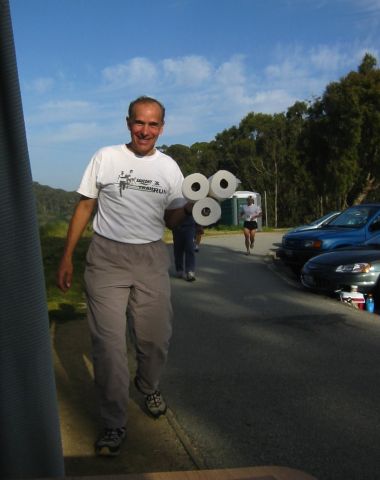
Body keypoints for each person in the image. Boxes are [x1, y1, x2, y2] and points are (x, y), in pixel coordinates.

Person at [57, 96, 193, 457]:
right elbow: (86, 204)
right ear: (128, 122)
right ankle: (114, 423)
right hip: (107, 258)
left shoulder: (170, 168)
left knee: (155, 338)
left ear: (162, 128)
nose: (145, 130)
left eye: (153, 124)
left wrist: (191, 206)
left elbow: (172, 220)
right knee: (109, 347)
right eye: (139, 122)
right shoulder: (106, 157)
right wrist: (67, 256)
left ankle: (147, 385)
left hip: (150, 257)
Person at [172, 215, 197, 281]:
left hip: (190, 226)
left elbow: (198, 210)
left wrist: (199, 225)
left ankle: (190, 271)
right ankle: (179, 269)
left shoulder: (192, 204)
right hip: (176, 226)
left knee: (190, 248)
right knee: (178, 249)